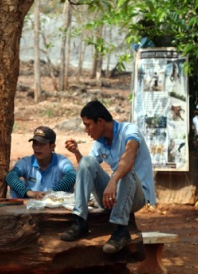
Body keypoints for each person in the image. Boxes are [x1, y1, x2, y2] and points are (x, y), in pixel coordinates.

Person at [60, 101, 156, 254]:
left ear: (100, 122)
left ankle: (121, 230)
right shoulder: (100, 142)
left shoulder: (129, 131)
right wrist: (77, 153)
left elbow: (129, 157)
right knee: (86, 160)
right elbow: (88, 169)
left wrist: (113, 180)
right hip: (113, 196)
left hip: (137, 197)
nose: (86, 130)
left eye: (88, 125)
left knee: (125, 170)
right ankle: (81, 221)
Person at [6, 126, 76, 199]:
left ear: (52, 146)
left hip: (57, 206)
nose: (37, 147)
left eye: (42, 144)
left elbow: (72, 176)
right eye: (35, 143)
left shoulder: (61, 161)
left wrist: (51, 193)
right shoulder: (26, 162)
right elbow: (11, 176)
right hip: (31, 207)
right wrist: (28, 192)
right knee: (17, 184)